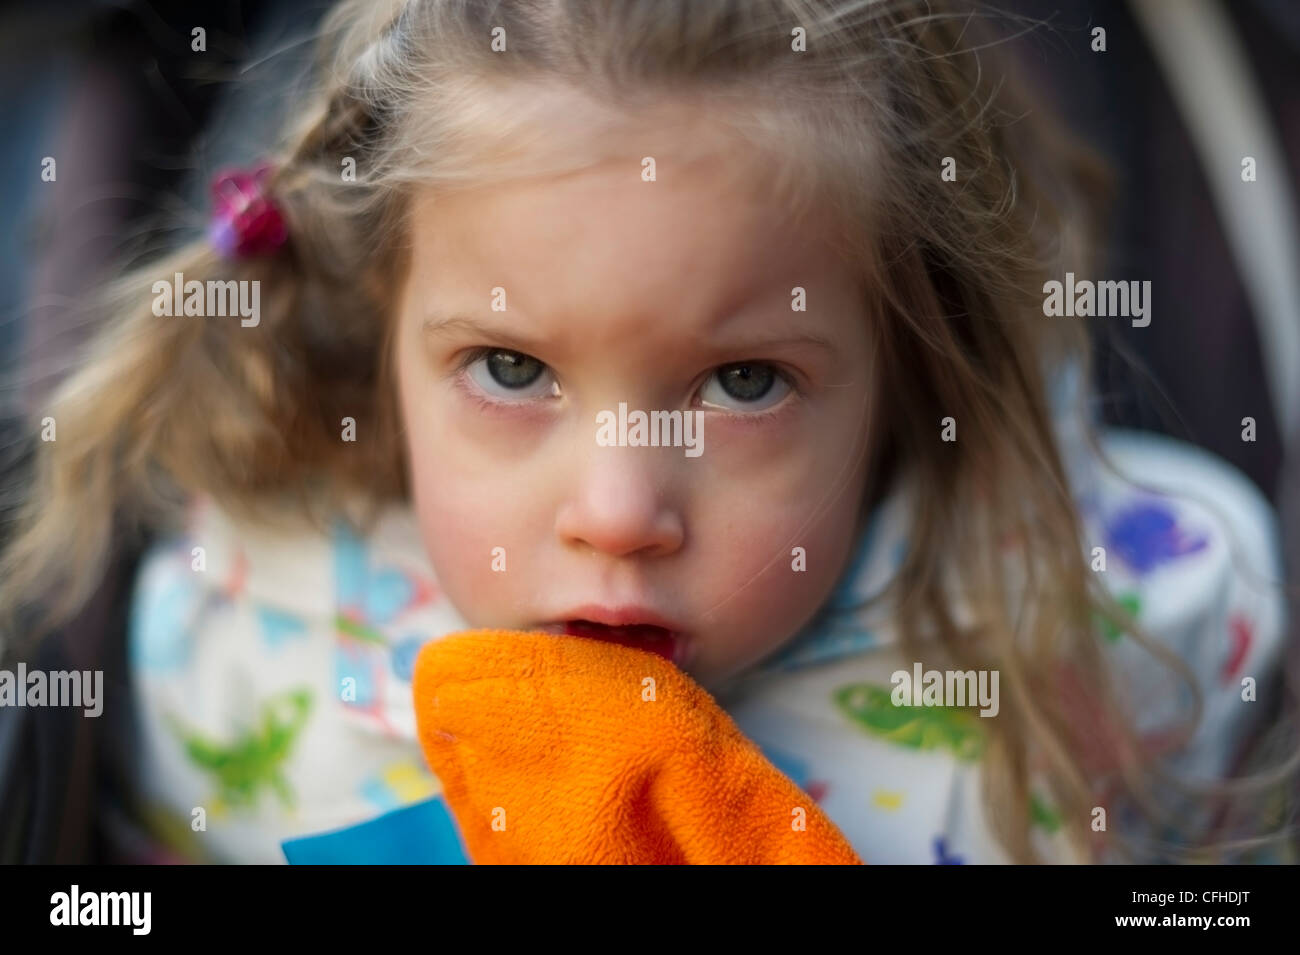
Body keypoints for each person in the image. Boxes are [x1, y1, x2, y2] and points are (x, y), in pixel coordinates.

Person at [1, 0, 1294, 864]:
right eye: (510, 368)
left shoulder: (1111, 649)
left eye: (741, 385)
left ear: (906, 367)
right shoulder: (226, 652)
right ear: (375, 340)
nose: (617, 512)